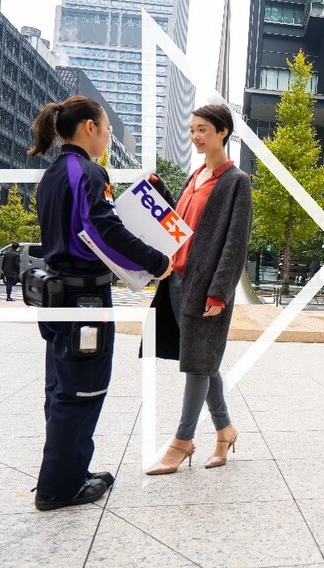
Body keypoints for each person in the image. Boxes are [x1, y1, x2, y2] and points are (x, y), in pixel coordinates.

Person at [28, 96, 174, 510]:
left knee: (61, 387)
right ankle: (59, 488)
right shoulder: (89, 172)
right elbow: (101, 226)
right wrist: (156, 261)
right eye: (107, 127)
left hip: (58, 296)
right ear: (89, 127)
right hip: (84, 299)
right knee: (83, 391)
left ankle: (69, 471)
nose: (108, 135)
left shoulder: (54, 174)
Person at [144, 104, 252, 476]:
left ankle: (182, 441)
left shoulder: (235, 181)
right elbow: (182, 222)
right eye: (192, 129)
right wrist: (162, 193)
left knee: (196, 363)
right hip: (176, 279)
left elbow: (235, 243)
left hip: (205, 286)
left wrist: (220, 292)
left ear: (223, 132)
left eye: (203, 129)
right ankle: (225, 431)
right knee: (203, 360)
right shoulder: (196, 176)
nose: (195, 136)